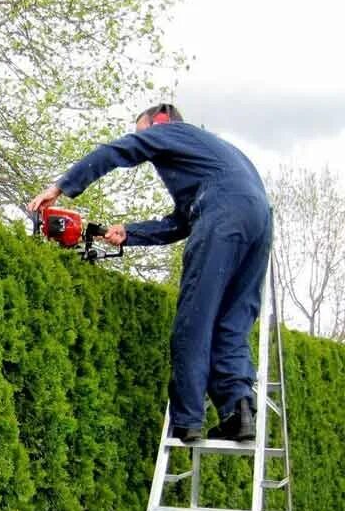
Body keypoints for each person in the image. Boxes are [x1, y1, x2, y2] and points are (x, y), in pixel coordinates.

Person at [27, 103, 272, 442]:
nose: (149, 149)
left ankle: (188, 420)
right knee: (232, 322)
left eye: (146, 134)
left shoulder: (171, 132)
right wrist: (129, 232)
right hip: (258, 221)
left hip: (224, 216)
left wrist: (62, 186)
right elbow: (181, 223)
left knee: (195, 319)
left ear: (159, 123)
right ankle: (239, 411)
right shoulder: (217, 155)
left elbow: (117, 150)